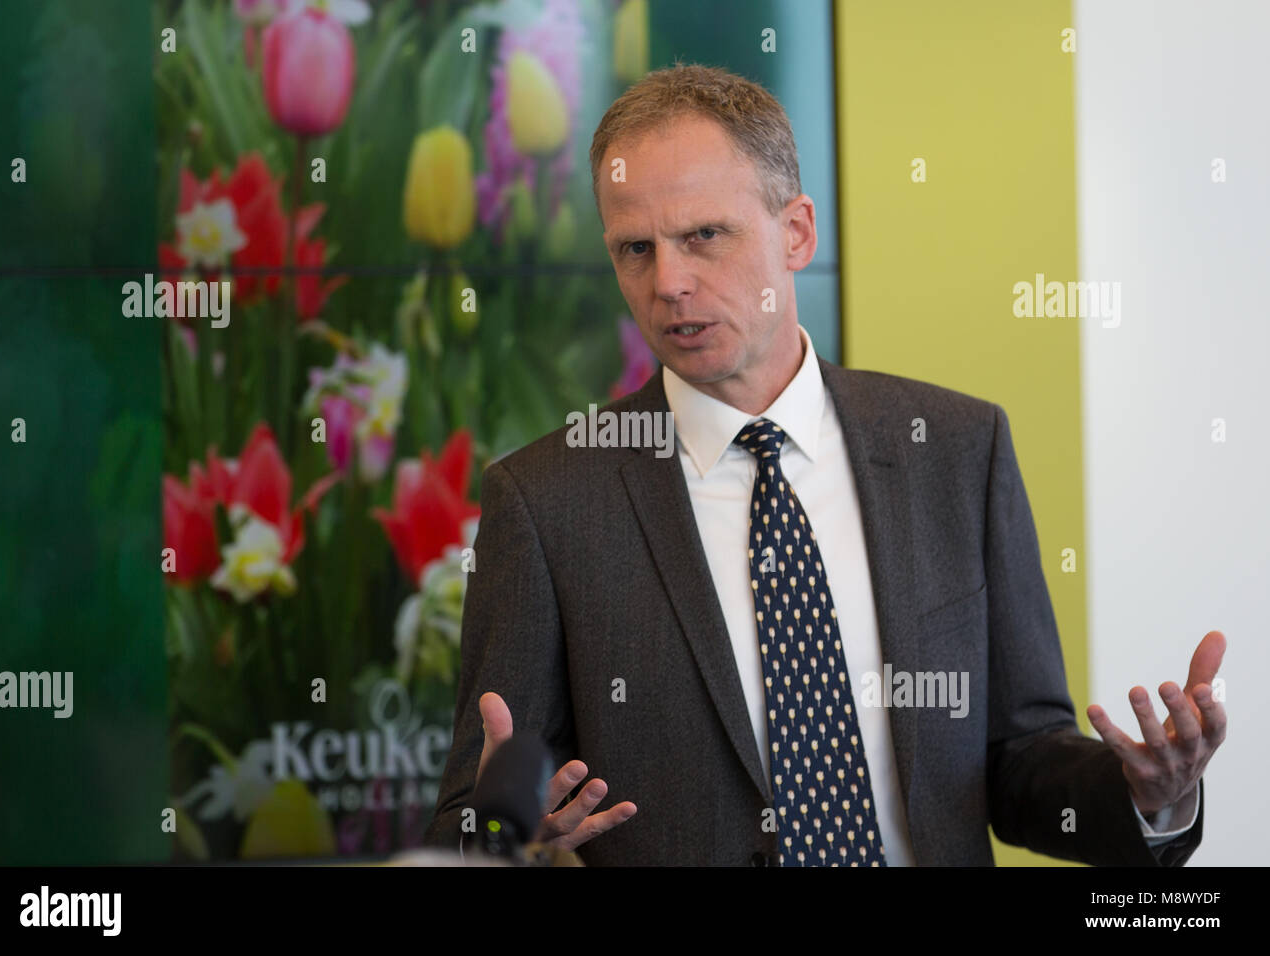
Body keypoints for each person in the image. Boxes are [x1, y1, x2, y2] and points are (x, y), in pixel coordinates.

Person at [424, 64, 1226, 866]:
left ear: (797, 233)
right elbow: (475, 813)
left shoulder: (955, 447)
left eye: (704, 235)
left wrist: (1148, 794)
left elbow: (1018, 764)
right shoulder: (547, 499)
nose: (669, 282)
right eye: (636, 248)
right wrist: (502, 839)